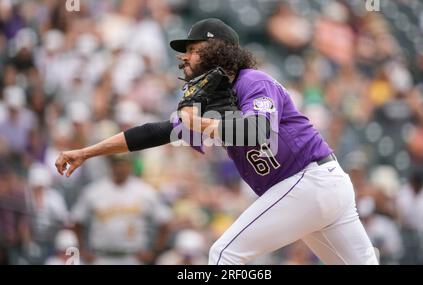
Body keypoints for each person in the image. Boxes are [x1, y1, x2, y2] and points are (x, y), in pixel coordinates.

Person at [55, 18, 378, 265]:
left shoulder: (255, 81)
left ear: (221, 50)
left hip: (310, 180)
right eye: (187, 52)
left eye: (196, 49)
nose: (187, 57)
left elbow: (258, 131)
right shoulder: (209, 104)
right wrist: (87, 151)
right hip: (312, 191)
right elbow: (151, 133)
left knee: (224, 255)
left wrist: (205, 124)